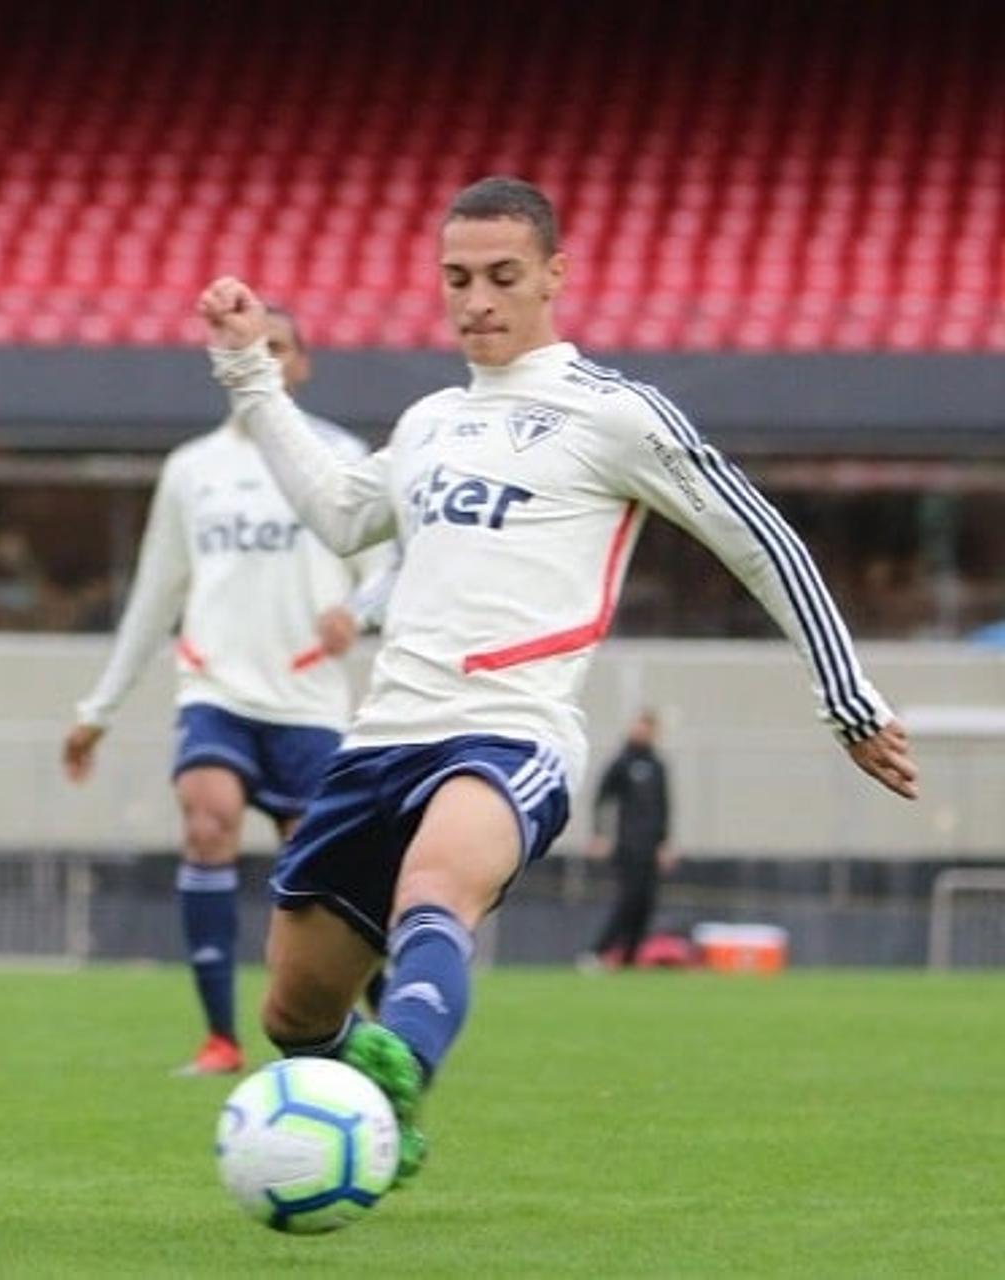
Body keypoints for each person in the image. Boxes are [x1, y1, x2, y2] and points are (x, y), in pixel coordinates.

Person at [194, 176, 919, 1189]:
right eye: (457, 278)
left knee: (434, 890)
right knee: (294, 1013)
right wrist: (248, 374)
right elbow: (343, 515)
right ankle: (363, 1133)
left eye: (502, 276)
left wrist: (847, 698)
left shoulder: (613, 413)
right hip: (381, 737)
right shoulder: (435, 418)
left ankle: (400, 1070)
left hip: (511, 729)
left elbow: (761, 541)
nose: (477, 299)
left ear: (554, 276)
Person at [61, 309, 396, 1076]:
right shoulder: (192, 470)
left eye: (278, 347)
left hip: (309, 700)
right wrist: (98, 711)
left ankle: (375, 1028)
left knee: (327, 876)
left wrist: (360, 611)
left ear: (301, 365)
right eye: (250, 347)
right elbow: (155, 592)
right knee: (206, 823)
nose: (264, 360)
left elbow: (390, 567)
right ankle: (221, 1038)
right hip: (214, 689)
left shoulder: (340, 458)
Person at [583, 709, 676, 969]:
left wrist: (665, 843)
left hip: (651, 847)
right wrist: (600, 834)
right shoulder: (622, 762)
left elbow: (664, 807)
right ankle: (597, 952)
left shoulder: (658, 765)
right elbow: (602, 799)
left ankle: (630, 959)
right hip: (628, 845)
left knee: (647, 902)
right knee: (629, 899)